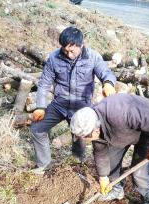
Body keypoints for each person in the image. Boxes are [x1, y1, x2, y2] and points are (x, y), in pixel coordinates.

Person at [70, 94, 149, 204]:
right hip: (121, 134)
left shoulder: (121, 113)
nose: (85, 141)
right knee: (110, 164)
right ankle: (117, 189)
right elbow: (100, 152)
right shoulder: (94, 122)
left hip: (148, 132)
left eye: (84, 138)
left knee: (139, 174)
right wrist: (103, 177)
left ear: (95, 131)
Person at [30, 27, 116, 174]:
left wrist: (108, 83)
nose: (68, 54)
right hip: (59, 104)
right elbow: (44, 84)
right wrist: (40, 107)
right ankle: (44, 165)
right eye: (65, 51)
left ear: (80, 45)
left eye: (72, 51)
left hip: (81, 106)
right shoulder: (54, 58)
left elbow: (106, 72)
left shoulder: (93, 57)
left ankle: (78, 165)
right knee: (37, 129)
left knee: (80, 137)